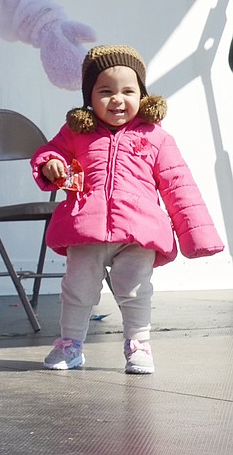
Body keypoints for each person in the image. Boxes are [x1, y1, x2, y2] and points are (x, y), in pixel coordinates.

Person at [31, 45, 224, 375]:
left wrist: (197, 236)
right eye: (105, 91)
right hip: (86, 229)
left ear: (142, 94)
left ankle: (138, 344)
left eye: (127, 91)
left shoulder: (156, 137)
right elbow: (52, 152)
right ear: (88, 97)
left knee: (135, 290)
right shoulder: (76, 132)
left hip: (139, 232)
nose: (117, 100)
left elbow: (180, 186)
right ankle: (71, 344)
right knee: (76, 288)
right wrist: (51, 163)